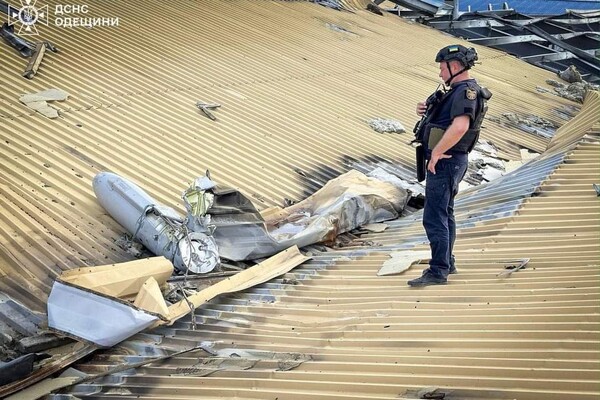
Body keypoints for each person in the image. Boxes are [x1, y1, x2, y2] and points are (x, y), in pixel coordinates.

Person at [408, 44, 491, 287]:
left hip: (445, 162)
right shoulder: (455, 90)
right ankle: (447, 262)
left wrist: (437, 153)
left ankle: (438, 271)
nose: (440, 73)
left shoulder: (466, 93)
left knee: (434, 217)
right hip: (450, 161)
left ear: (454, 66)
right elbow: (446, 120)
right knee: (445, 213)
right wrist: (424, 109)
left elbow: (460, 127)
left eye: (442, 68)